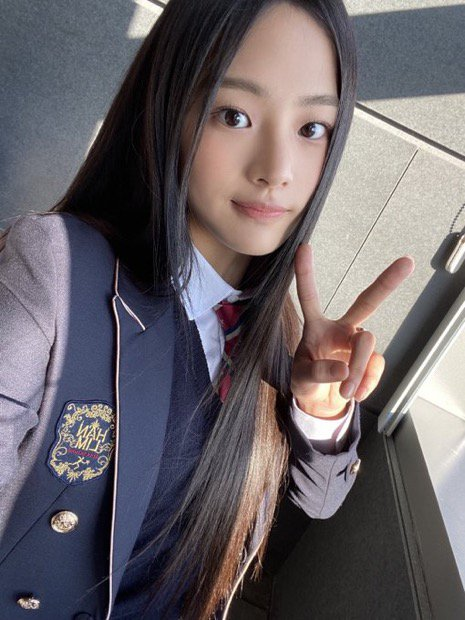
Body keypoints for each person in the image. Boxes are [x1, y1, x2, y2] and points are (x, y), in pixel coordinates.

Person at [0, 0, 415, 618]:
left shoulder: (278, 331)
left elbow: (319, 500)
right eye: (234, 115)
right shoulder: (57, 270)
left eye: (311, 129)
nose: (277, 171)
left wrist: (321, 412)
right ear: (169, 109)